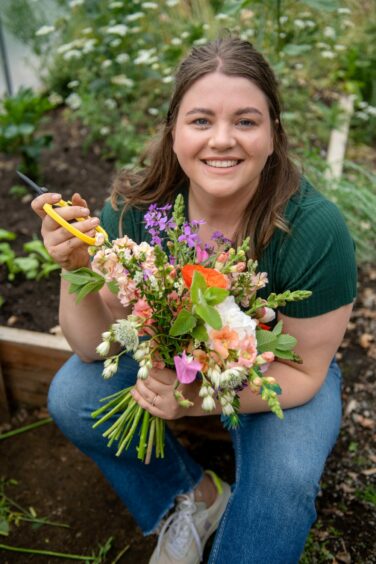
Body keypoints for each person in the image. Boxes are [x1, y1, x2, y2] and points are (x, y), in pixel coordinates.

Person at [32, 37, 357, 564]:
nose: (222, 140)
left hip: (279, 373)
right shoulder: (136, 208)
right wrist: (74, 267)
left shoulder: (314, 231)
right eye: (201, 120)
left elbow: (304, 374)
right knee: (74, 394)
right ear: (174, 131)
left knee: (286, 476)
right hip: (172, 361)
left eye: (246, 122)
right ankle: (193, 497)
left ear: (274, 134)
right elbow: (93, 348)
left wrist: (189, 399)